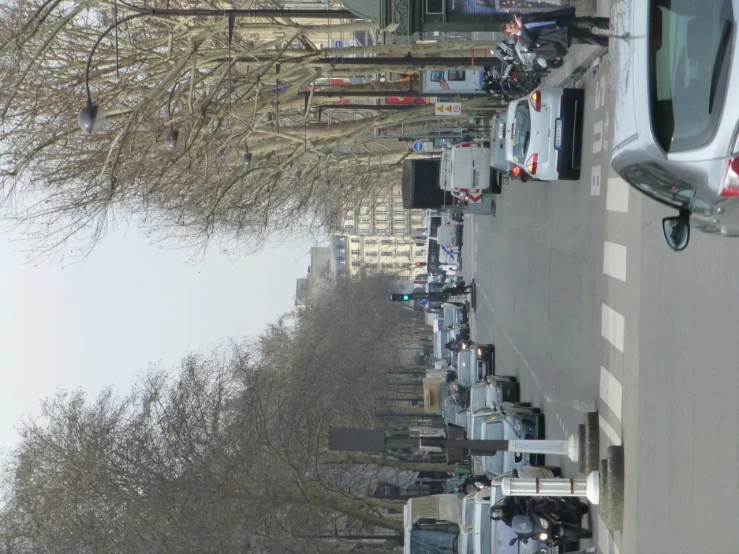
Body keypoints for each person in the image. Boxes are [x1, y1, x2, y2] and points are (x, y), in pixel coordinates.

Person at [501, 7, 609, 59]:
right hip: (562, 37)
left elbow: (541, 16)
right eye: (511, 27)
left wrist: (522, 19)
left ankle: (611, 23)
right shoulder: (523, 40)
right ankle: (609, 42)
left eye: (511, 23)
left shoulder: (525, 21)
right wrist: (521, 27)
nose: (513, 25)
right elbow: (530, 41)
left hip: (561, 24)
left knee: (589, 21)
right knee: (591, 38)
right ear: (511, 34)